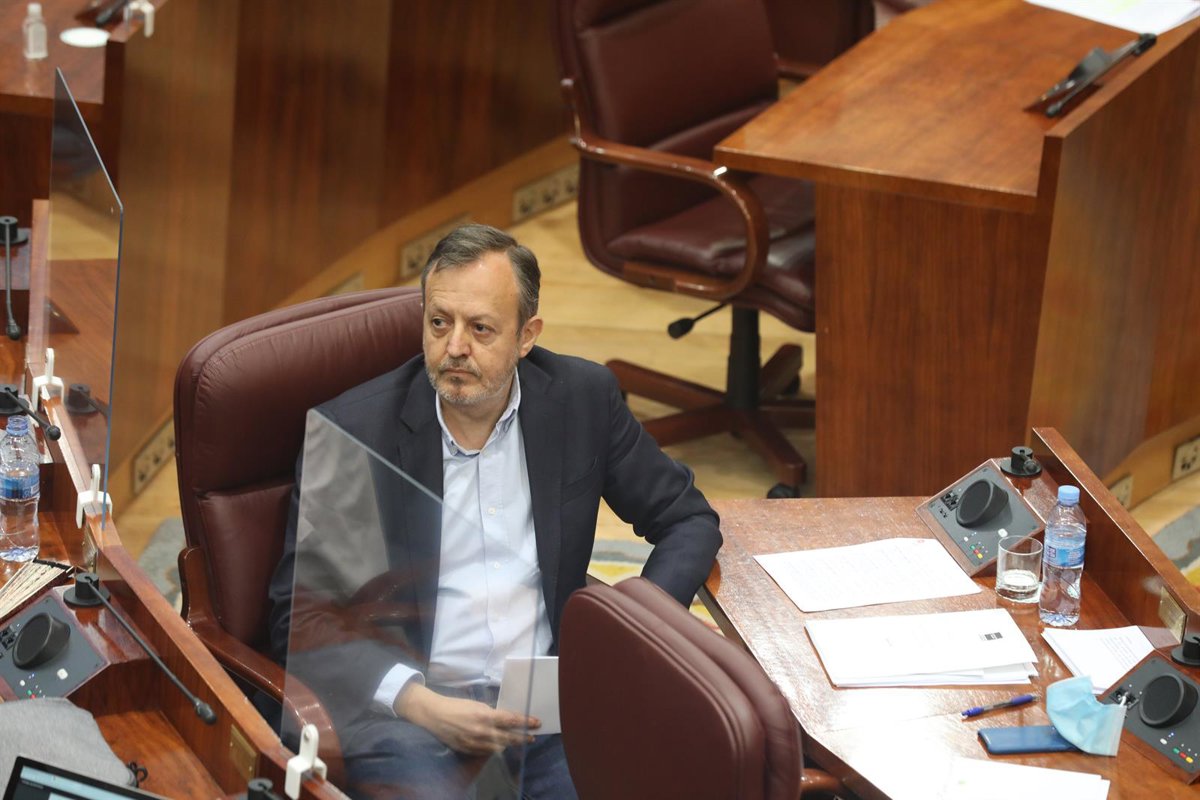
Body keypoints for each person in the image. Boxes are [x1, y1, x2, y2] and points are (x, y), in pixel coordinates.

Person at [267, 223, 722, 799]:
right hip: (412, 720)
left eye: (481, 328)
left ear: (526, 336)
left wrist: (631, 635)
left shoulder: (582, 399)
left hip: (551, 709)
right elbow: (298, 612)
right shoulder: (357, 430)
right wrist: (416, 701)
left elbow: (687, 519)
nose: (455, 347)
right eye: (439, 323)